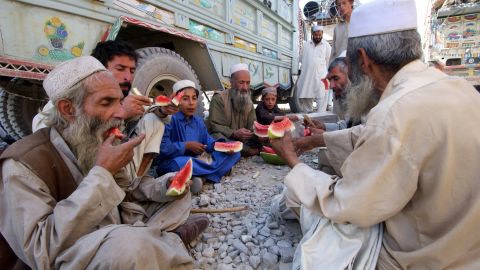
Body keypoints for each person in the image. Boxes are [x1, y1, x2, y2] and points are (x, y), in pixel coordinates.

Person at [272, 0, 480, 269]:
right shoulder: (460, 88)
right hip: (468, 249)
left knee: (298, 201)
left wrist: (293, 161)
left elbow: (348, 205)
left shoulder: (393, 113)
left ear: (364, 60)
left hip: (421, 256)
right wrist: (316, 140)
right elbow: (378, 137)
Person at [0, 56, 208, 269]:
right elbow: (39, 251)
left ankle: (154, 241)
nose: (120, 112)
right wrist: (102, 172)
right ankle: (166, 241)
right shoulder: (22, 165)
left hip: (113, 225)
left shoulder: (94, 137)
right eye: (107, 102)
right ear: (67, 109)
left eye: (119, 101)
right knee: (127, 245)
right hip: (69, 255)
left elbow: (129, 189)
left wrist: (164, 186)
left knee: (179, 196)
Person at [32, 40, 177, 178]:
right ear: (99, 69)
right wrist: (124, 113)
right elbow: (46, 140)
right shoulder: (64, 104)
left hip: (117, 171)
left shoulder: (127, 93)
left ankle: (135, 182)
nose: (128, 77)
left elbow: (151, 107)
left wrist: (163, 110)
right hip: (83, 177)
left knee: (154, 121)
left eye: (132, 70)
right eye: (120, 69)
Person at [155, 80, 241, 183]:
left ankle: (203, 176)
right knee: (183, 163)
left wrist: (220, 146)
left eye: (194, 98)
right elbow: (164, 149)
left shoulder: (198, 121)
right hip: (174, 161)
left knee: (236, 154)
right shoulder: (170, 119)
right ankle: (215, 172)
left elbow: (208, 142)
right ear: (176, 101)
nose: (191, 103)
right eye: (185, 99)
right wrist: (186, 146)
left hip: (197, 160)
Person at [207, 63, 262, 156]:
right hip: (226, 137)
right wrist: (234, 133)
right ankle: (248, 151)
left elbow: (252, 125)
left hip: (243, 140)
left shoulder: (248, 100)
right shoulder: (219, 98)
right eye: (241, 82)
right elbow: (214, 125)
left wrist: (254, 133)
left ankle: (245, 150)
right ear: (231, 82)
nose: (245, 87)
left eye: (247, 83)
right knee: (216, 137)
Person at [295, 25, 331, 113]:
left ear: (322, 34)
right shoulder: (306, 45)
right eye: (316, 35)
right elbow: (300, 58)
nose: (318, 37)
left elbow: (329, 61)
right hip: (307, 76)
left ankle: (320, 117)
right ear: (312, 34)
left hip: (322, 77)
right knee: (307, 97)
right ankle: (309, 119)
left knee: (322, 98)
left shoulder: (326, 45)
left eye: (319, 35)